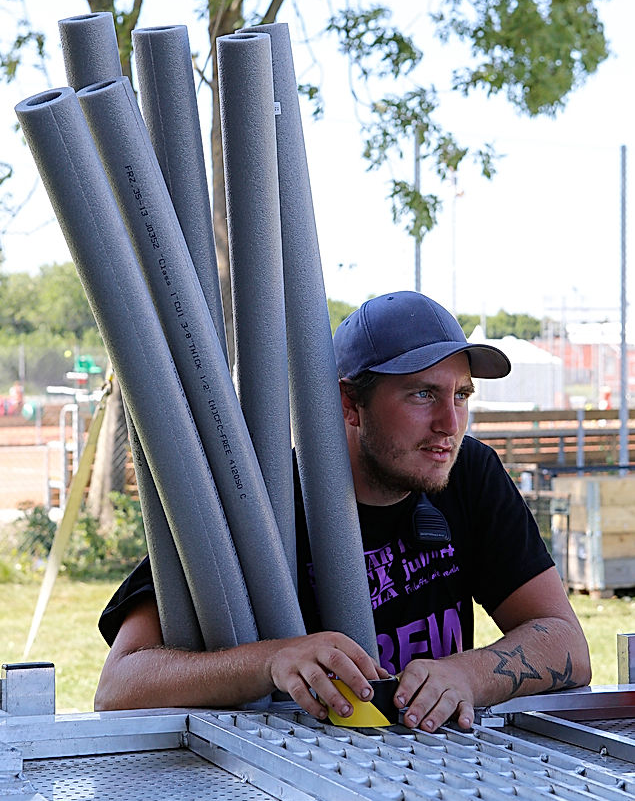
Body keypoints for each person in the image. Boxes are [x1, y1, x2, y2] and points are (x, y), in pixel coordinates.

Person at [95, 291, 591, 730]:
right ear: (348, 404)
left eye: (460, 395)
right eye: (423, 394)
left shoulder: (468, 473)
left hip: (433, 782)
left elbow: (568, 643)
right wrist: (272, 661)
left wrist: (469, 673)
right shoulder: (260, 501)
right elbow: (119, 686)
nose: (449, 424)